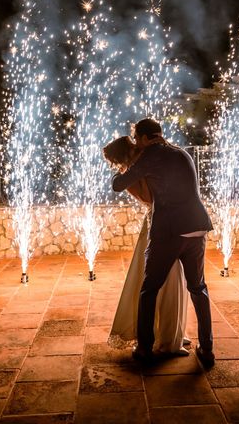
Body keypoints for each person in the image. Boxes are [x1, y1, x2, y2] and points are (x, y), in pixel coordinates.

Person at [111, 118, 215, 367]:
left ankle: (145, 349)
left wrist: (124, 166)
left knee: (149, 290)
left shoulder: (151, 155)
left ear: (146, 138)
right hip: (198, 228)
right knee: (198, 289)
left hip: (169, 232)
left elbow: (118, 185)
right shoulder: (182, 153)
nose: (138, 144)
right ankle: (207, 349)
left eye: (138, 139)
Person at [103, 136, 189, 356]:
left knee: (171, 279)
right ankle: (164, 338)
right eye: (133, 145)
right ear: (129, 151)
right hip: (159, 224)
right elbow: (150, 197)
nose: (137, 147)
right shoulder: (133, 174)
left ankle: (170, 332)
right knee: (165, 280)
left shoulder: (140, 167)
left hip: (165, 221)